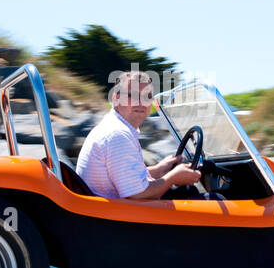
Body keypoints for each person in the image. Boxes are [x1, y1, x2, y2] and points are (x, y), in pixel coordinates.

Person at [75, 70, 204, 199]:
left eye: (147, 97)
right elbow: (138, 196)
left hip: (108, 211)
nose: (142, 103)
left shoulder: (113, 126)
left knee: (188, 191)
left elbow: (123, 178)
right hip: (117, 216)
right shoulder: (118, 135)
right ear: (116, 98)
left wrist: (159, 170)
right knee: (212, 198)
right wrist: (173, 177)